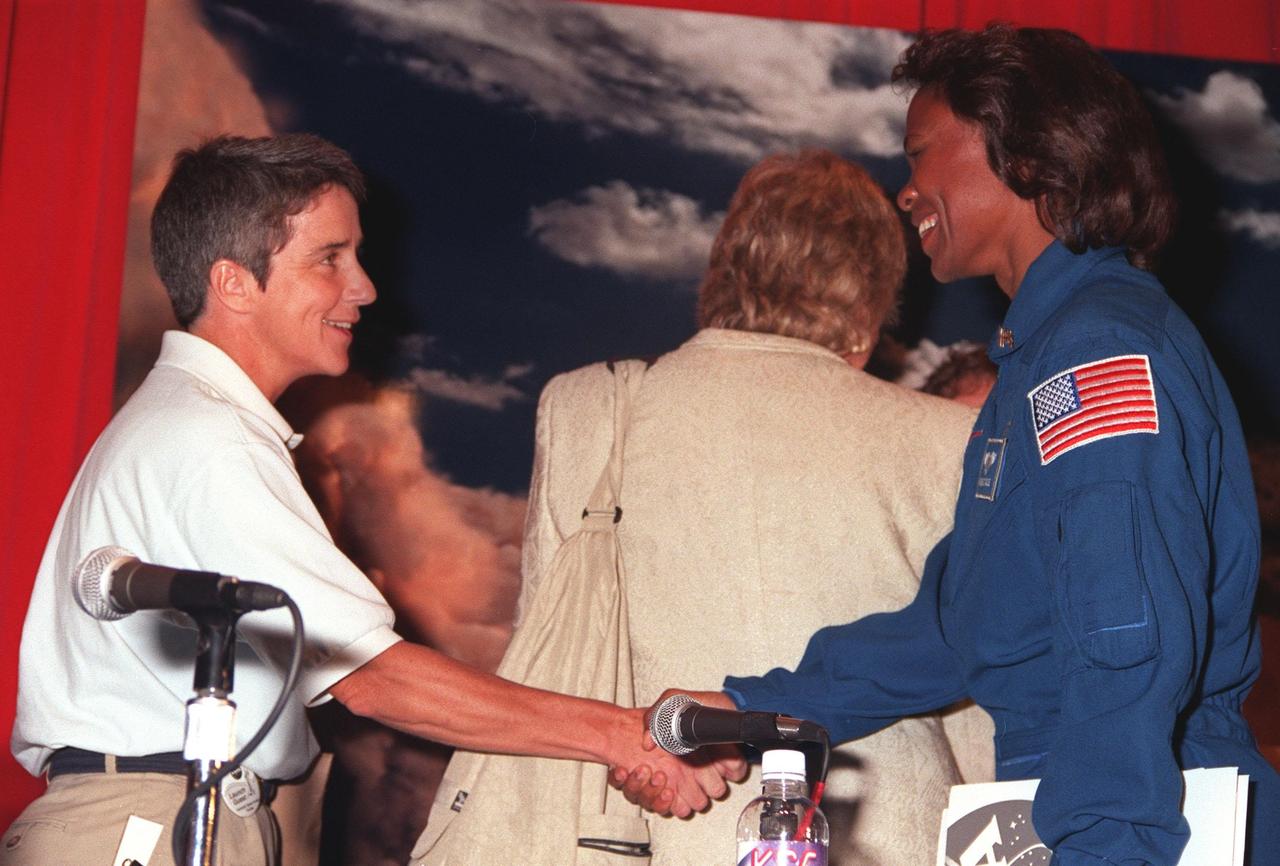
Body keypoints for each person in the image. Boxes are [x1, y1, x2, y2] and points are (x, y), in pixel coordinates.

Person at [636, 24, 1280, 865]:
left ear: (1027, 155)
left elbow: (1126, 641)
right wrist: (750, 712)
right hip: (1077, 806)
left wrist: (1104, 845)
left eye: (920, 154)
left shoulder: (1096, 350)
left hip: (1128, 817)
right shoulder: (1042, 360)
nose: (907, 192)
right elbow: (954, 630)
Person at [1, 134, 737, 866]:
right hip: (154, 827)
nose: (364, 287)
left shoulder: (189, 422)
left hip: (171, 816)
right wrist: (629, 735)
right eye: (330, 258)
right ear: (234, 283)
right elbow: (371, 677)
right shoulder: (208, 437)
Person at [514, 149, 990, 865]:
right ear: (871, 305)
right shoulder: (952, 438)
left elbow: (543, 651)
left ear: (726, 267)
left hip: (639, 831)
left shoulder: (588, 410)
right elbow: (981, 690)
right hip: (886, 835)